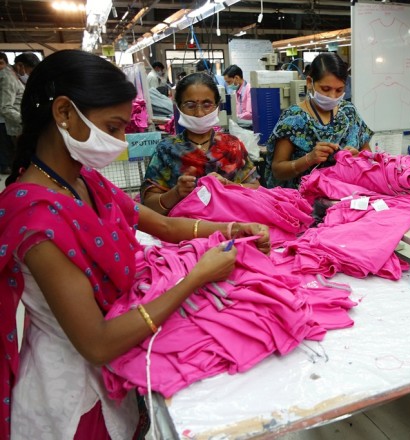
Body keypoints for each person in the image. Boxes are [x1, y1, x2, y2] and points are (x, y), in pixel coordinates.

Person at [0, 49, 270, 440]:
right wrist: (195, 278)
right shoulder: (37, 216)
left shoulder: (84, 181)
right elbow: (96, 343)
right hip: (71, 398)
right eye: (113, 127)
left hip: (113, 373)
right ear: (64, 112)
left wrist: (231, 228)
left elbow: (160, 223)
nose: (121, 141)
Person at [141, 72, 260, 214]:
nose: (199, 113)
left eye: (207, 104)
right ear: (178, 107)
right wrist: (176, 193)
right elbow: (148, 206)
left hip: (232, 226)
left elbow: (256, 189)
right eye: (190, 105)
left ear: (217, 106)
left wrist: (229, 185)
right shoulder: (166, 150)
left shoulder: (232, 146)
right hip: (182, 231)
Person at [264, 52, 373, 189]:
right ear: (310, 83)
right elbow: (277, 170)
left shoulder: (349, 113)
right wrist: (309, 159)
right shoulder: (293, 119)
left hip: (347, 196)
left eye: (339, 90)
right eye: (326, 89)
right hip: (305, 202)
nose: (333, 96)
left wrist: (358, 158)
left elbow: (368, 157)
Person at [0, 52, 24, 172]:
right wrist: (24, 120)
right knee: (11, 158)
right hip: (9, 122)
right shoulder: (7, 77)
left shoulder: (14, 75)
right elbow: (5, 107)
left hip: (12, 120)